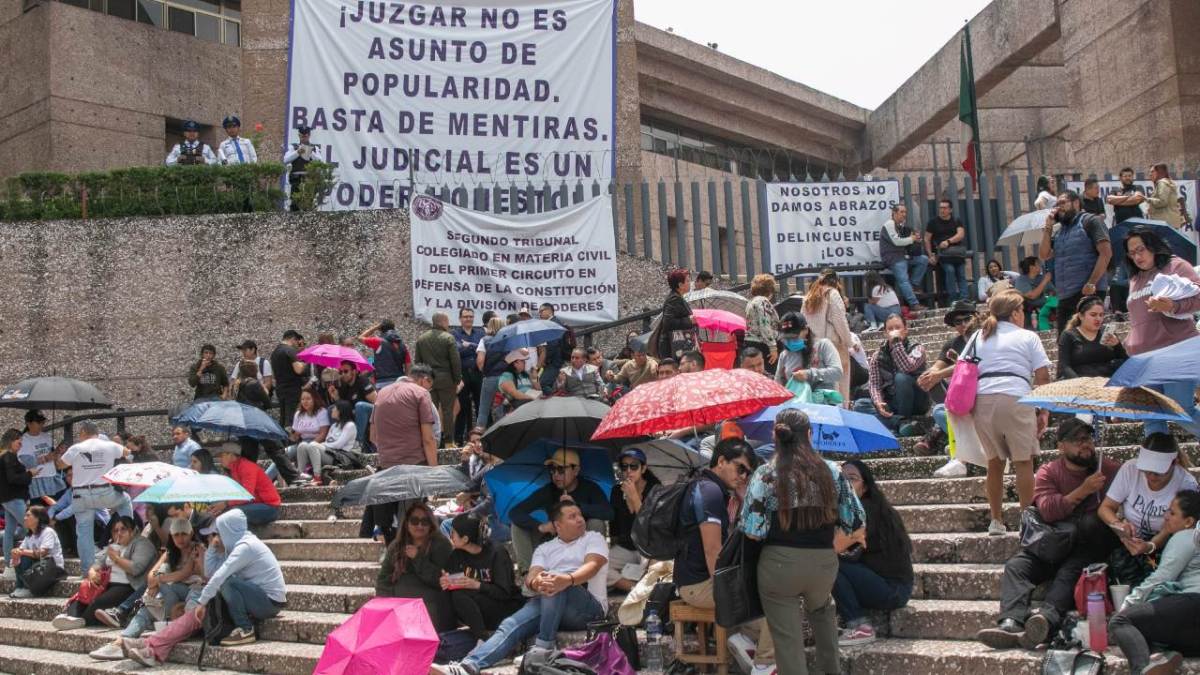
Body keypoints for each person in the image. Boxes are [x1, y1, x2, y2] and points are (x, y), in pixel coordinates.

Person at [975, 418, 1121, 650]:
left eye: (1088, 439)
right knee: (1017, 566)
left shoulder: (1108, 469)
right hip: (1051, 542)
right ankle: (1011, 622)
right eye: (1078, 440)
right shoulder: (1048, 472)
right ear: (1061, 446)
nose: (1086, 445)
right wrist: (1083, 490)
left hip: (1085, 548)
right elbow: (1048, 509)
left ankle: (1044, 620)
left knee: (1069, 572)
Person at [739, 411, 861, 674]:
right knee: (823, 608)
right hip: (823, 564)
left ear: (776, 436)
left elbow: (752, 531)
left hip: (779, 565)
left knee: (787, 639)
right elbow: (855, 520)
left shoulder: (765, 474)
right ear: (809, 435)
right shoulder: (832, 470)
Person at [431, 500, 609, 675]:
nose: (580, 519)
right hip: (551, 604)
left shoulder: (594, 538)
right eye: (572, 516)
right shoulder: (545, 548)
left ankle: (543, 648)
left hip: (589, 611)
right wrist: (538, 581)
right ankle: (468, 666)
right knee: (510, 623)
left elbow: (592, 566)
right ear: (558, 525)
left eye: (579, 515)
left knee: (554, 585)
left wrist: (566, 579)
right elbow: (532, 577)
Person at [118, 509, 287, 664]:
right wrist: (213, 546)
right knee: (196, 615)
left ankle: (245, 629)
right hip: (250, 597)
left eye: (219, 531)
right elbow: (211, 572)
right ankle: (152, 648)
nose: (216, 536)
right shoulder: (239, 543)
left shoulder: (245, 547)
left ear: (229, 529)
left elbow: (220, 576)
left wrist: (202, 602)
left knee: (223, 585)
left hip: (269, 602)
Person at [676, 440, 772, 673]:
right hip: (699, 584)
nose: (743, 476)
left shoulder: (709, 487)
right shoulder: (710, 492)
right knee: (777, 604)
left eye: (748, 473)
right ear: (721, 461)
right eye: (740, 468)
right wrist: (728, 592)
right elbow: (712, 550)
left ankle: (742, 641)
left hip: (696, 579)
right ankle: (765, 665)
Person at [964, 291, 1051, 536]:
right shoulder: (1028, 337)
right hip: (1016, 396)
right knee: (1023, 461)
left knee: (994, 462)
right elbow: (1042, 377)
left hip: (982, 401)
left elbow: (963, 367)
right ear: (1015, 313)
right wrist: (1044, 411)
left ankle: (996, 520)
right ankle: (1027, 521)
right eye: (1022, 310)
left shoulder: (978, 336)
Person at [1108, 490, 1200, 675]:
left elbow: (1162, 577)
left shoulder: (1185, 536)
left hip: (1193, 601)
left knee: (1120, 621)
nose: (1166, 517)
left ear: (1188, 522)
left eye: (1172, 513)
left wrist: (1130, 602)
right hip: (1192, 631)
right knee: (1147, 631)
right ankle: (1164, 658)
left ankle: (1142, 670)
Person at [1121, 224, 1200, 439]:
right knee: (1152, 417)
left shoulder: (1176, 265)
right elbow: (1139, 318)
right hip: (1144, 358)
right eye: (1131, 252)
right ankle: (1158, 469)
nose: (1137, 256)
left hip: (1176, 350)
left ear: (1153, 246)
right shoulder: (1135, 279)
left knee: (1180, 409)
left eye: (1141, 249)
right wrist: (1129, 340)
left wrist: (1173, 306)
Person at [1098, 434, 1198, 587]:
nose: (1151, 476)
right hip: (1129, 537)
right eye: (1146, 470)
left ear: (1174, 463)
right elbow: (1105, 508)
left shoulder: (1185, 482)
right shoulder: (1130, 469)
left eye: (1158, 472)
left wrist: (1150, 546)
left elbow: (1174, 528)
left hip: (1166, 540)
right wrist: (1119, 525)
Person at [834, 460, 912, 646]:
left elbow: (836, 548)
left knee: (828, 564)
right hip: (884, 583)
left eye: (852, 479)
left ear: (865, 487)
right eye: (840, 479)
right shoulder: (852, 508)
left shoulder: (865, 510)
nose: (845, 484)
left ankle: (859, 625)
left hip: (892, 590)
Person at [509, 448, 613, 574]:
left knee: (597, 523)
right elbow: (515, 512)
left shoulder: (590, 488)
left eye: (561, 470)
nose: (556, 475)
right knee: (517, 526)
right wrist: (540, 526)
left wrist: (578, 506)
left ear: (576, 470)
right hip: (555, 539)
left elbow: (608, 512)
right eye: (552, 470)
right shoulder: (548, 490)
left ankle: (590, 569)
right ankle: (529, 574)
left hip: (582, 541)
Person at [369, 364, 438, 543]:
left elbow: (373, 436)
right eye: (430, 385)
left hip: (386, 465)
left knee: (397, 516)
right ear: (424, 379)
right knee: (411, 515)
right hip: (414, 463)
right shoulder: (421, 393)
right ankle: (407, 554)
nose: (429, 389)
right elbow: (428, 439)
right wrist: (434, 471)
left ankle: (397, 552)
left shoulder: (382, 393)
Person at [51, 515, 155, 630]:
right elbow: (99, 563)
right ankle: (70, 617)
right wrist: (92, 572)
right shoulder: (114, 546)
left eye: (123, 529)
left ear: (133, 530)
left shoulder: (142, 544)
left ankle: (82, 620)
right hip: (107, 584)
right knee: (82, 595)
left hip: (128, 586)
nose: (119, 533)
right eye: (115, 530)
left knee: (98, 603)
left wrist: (116, 558)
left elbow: (136, 568)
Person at [56, 421, 132, 570]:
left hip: (81, 494)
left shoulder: (76, 448)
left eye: (80, 433)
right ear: (97, 433)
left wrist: (58, 454)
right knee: (125, 500)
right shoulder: (109, 445)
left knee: (84, 534)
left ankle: (87, 572)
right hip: (105, 491)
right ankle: (129, 532)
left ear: (84, 432)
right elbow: (127, 452)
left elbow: (61, 465)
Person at [1039, 189, 1113, 333]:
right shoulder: (1060, 232)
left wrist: (1091, 282)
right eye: (1057, 204)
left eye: (1062, 202)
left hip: (1088, 292)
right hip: (1065, 295)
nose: (1059, 207)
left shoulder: (1090, 221)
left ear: (1076, 203)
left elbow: (1106, 253)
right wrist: (1048, 227)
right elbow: (1044, 254)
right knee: (1064, 341)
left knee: (1087, 339)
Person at [441, 513, 523, 640]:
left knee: (460, 595)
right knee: (449, 594)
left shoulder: (497, 553)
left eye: (453, 533)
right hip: (476, 608)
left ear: (465, 539)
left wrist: (476, 585)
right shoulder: (457, 554)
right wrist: (445, 581)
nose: (450, 535)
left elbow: (504, 593)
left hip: (504, 606)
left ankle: (483, 639)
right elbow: (450, 579)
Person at [376, 502, 455, 632]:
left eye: (425, 521)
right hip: (401, 604)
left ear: (431, 524)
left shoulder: (441, 545)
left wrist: (418, 557)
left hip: (430, 606)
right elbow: (384, 579)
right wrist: (386, 605)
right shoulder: (396, 546)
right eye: (414, 521)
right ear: (407, 523)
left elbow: (441, 580)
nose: (419, 525)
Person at [915, 301, 976, 460]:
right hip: (960, 396)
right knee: (931, 380)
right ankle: (947, 433)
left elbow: (972, 365)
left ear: (975, 318)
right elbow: (937, 367)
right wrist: (929, 375)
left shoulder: (981, 338)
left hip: (978, 391)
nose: (963, 324)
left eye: (966, 319)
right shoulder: (954, 343)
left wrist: (940, 374)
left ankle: (934, 436)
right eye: (958, 321)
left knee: (939, 411)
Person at [861, 314, 928, 436]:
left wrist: (897, 343)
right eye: (890, 329)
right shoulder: (878, 356)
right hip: (893, 401)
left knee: (901, 378)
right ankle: (899, 422)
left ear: (905, 330)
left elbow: (907, 367)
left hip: (916, 400)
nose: (894, 332)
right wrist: (878, 402)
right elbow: (874, 384)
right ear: (885, 333)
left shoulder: (917, 348)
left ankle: (899, 422)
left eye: (897, 328)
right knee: (860, 405)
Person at [608, 448, 660, 592]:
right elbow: (615, 527)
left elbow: (651, 524)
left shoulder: (655, 489)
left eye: (634, 466)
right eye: (624, 466)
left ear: (643, 469)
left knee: (657, 567)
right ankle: (635, 589)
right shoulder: (617, 491)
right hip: (626, 546)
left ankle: (641, 588)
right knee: (598, 566)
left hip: (648, 546)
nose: (628, 471)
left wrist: (635, 498)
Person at [802, 269, 853, 403]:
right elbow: (840, 321)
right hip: (833, 345)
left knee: (819, 388)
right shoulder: (833, 294)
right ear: (836, 281)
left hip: (814, 347)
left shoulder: (808, 297)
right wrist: (849, 342)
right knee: (837, 389)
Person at [415, 311, 463, 447]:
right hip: (446, 379)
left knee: (430, 410)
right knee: (448, 410)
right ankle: (448, 441)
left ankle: (431, 440)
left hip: (427, 380)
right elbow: (455, 361)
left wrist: (420, 381)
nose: (448, 324)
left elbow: (418, 362)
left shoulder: (421, 339)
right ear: (442, 322)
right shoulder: (448, 338)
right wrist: (457, 378)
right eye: (447, 321)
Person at [207, 442, 281, 526]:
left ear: (231, 456)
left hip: (269, 508)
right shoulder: (234, 469)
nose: (219, 459)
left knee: (233, 512)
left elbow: (247, 496)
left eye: (222, 456)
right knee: (221, 508)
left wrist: (225, 504)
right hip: (254, 505)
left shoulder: (247, 467)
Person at [1105, 167, 1147, 314]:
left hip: (1137, 229)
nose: (1128, 178)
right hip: (1121, 230)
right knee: (1123, 260)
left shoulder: (1138, 187)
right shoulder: (1115, 189)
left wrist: (1121, 200)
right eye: (1125, 176)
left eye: (1130, 175)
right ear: (1121, 177)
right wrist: (1129, 200)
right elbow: (1110, 200)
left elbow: (1138, 198)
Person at [1057, 295, 1127, 379]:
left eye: (1101, 315)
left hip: (1108, 381)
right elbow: (1065, 366)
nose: (1098, 319)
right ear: (1081, 316)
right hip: (1080, 383)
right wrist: (1080, 383)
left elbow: (1126, 361)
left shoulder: (1107, 333)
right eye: (1093, 315)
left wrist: (1117, 345)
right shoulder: (1068, 335)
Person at [774, 312, 843, 396]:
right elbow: (777, 383)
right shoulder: (784, 355)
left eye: (794, 337)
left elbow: (837, 372)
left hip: (824, 404)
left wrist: (809, 374)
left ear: (806, 330)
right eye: (787, 339)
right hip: (796, 404)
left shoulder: (823, 345)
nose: (790, 341)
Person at [879, 203, 928, 310]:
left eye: (905, 212)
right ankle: (914, 304)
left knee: (923, 260)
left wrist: (916, 239)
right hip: (893, 258)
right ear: (894, 213)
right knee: (903, 280)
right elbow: (896, 242)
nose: (904, 214)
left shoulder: (900, 226)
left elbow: (905, 242)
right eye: (901, 212)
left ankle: (914, 285)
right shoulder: (889, 224)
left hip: (902, 256)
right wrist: (912, 239)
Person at [8, 505, 64, 598]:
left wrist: (21, 552)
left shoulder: (48, 531)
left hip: (53, 568)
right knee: (20, 556)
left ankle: (28, 589)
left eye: (28, 515)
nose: (24, 518)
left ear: (38, 518)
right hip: (39, 566)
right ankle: (20, 587)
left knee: (24, 556)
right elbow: (21, 551)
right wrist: (15, 555)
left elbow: (42, 553)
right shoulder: (29, 536)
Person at [296, 399, 357, 485]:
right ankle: (300, 475)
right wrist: (322, 445)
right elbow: (328, 441)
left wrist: (321, 445)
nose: (332, 410)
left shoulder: (350, 425)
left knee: (313, 445)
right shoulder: (333, 426)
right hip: (329, 452)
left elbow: (338, 445)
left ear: (340, 411)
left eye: (335, 408)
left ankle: (317, 477)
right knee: (302, 445)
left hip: (339, 457)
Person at [1, 429, 35, 579]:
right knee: (32, 526)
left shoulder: (4, 456)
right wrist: (29, 474)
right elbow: (13, 478)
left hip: (7, 499)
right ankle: (32, 560)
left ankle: (9, 566)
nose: (20, 444)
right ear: (11, 441)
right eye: (18, 441)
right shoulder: (8, 457)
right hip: (14, 498)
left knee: (10, 531)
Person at [452, 308, 486, 445]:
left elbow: (484, 349)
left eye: (471, 317)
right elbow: (458, 349)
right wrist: (475, 348)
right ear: (460, 319)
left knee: (481, 406)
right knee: (462, 408)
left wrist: (469, 345)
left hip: (478, 373)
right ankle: (459, 439)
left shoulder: (480, 333)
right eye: (465, 317)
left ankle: (483, 438)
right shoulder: (454, 333)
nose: (468, 319)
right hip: (463, 374)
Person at [925, 198, 969, 302]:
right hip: (944, 255)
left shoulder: (956, 220)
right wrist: (930, 255)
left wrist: (948, 241)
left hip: (957, 253)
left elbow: (960, 234)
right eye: (940, 208)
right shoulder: (933, 222)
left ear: (950, 210)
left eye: (945, 208)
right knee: (950, 271)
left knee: (961, 275)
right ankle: (953, 300)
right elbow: (927, 239)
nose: (942, 210)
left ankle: (965, 299)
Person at [20, 410, 65, 502]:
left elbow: (52, 455)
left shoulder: (46, 436)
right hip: (36, 482)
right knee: (39, 512)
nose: (42, 425)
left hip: (51, 477)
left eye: (43, 422)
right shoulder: (24, 440)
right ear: (28, 423)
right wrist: (46, 458)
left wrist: (58, 451)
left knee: (55, 508)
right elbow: (26, 462)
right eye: (39, 422)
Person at [474, 316, 510, 428]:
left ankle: (478, 436)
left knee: (483, 410)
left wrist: (484, 371)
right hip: (506, 379)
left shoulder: (484, 340)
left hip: (490, 377)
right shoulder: (508, 340)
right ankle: (502, 433)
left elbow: (480, 361)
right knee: (503, 407)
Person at [271, 330, 311, 428]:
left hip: (280, 389)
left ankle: (284, 441)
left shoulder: (275, 352)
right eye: (297, 342)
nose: (297, 345)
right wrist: (307, 362)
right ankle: (290, 441)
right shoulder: (289, 350)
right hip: (292, 390)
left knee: (283, 418)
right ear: (293, 339)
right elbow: (298, 370)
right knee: (291, 419)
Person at [287, 387, 330, 475]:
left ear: (314, 399)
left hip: (318, 443)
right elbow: (294, 438)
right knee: (282, 454)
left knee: (304, 446)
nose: (305, 402)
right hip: (301, 443)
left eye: (308, 399)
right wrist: (294, 435)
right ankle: (269, 477)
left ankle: (305, 475)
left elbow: (323, 433)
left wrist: (310, 445)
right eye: (302, 399)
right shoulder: (298, 414)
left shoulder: (321, 412)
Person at [358, 320, 410, 389]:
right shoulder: (402, 345)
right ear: (393, 328)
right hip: (399, 380)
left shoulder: (378, 341)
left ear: (381, 330)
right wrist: (405, 378)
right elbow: (408, 363)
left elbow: (360, 338)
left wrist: (375, 327)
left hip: (383, 381)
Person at [657, 269, 696, 360]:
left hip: (678, 345)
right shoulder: (674, 299)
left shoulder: (677, 297)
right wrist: (689, 320)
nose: (690, 283)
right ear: (680, 285)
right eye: (687, 280)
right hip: (673, 347)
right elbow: (668, 323)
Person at [745, 274, 780, 371]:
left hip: (750, 342)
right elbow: (764, 324)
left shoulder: (751, 302)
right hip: (762, 344)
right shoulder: (763, 301)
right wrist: (773, 347)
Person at [537, 303, 573, 394]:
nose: (539, 314)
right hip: (554, 360)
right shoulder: (552, 323)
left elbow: (553, 344)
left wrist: (545, 359)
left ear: (549, 311)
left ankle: (556, 400)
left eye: (541, 311)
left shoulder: (553, 323)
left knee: (543, 384)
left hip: (555, 361)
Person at [496, 348, 540, 418]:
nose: (525, 363)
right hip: (517, 407)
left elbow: (538, 390)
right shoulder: (506, 376)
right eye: (522, 361)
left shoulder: (525, 374)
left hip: (528, 405)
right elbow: (514, 394)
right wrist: (533, 398)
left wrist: (535, 379)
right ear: (514, 363)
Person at [1014, 256, 1054, 328]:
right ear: (1031, 267)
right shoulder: (1021, 280)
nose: (1041, 265)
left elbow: (1054, 291)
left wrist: (1050, 297)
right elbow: (1032, 296)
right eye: (1038, 263)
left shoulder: (1041, 277)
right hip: (1028, 313)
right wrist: (1045, 281)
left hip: (1044, 310)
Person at [283, 124, 315, 208]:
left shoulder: (314, 148)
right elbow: (286, 160)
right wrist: (298, 152)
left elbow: (320, 161)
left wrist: (310, 152)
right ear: (299, 135)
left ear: (309, 136)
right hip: (296, 179)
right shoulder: (293, 147)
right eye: (302, 136)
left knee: (308, 203)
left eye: (306, 136)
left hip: (309, 178)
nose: (304, 138)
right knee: (295, 203)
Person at [1146, 163, 1183, 229]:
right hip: (1168, 223)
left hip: (1164, 224)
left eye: (1152, 171)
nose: (1150, 174)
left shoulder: (1162, 183)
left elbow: (1162, 202)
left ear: (1159, 172)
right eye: (1150, 172)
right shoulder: (1166, 182)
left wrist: (1147, 199)